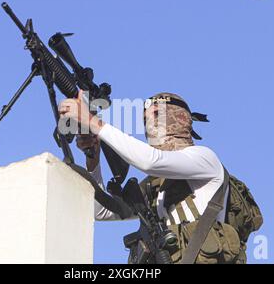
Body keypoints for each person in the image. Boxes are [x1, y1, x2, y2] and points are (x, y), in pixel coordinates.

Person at [58, 90, 245, 264]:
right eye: (145, 119)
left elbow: (150, 162)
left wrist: (92, 121)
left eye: (156, 114)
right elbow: (102, 212)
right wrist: (93, 159)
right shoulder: (157, 186)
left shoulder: (205, 158)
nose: (149, 124)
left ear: (181, 117)